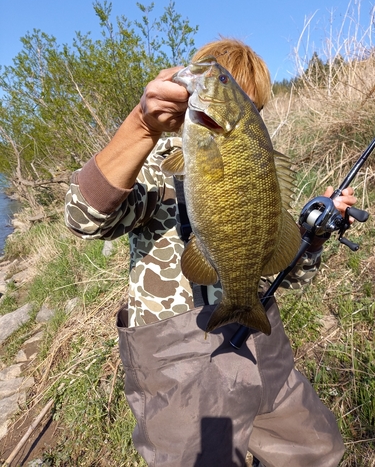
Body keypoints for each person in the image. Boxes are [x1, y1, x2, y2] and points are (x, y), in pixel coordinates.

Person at [65, 38, 356, 467]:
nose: (244, 112)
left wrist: (312, 236)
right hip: (177, 363)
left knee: (320, 452)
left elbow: (285, 271)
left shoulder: (257, 167)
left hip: (261, 340)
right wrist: (142, 127)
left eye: (252, 106)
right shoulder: (153, 163)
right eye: (227, 87)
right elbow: (84, 218)